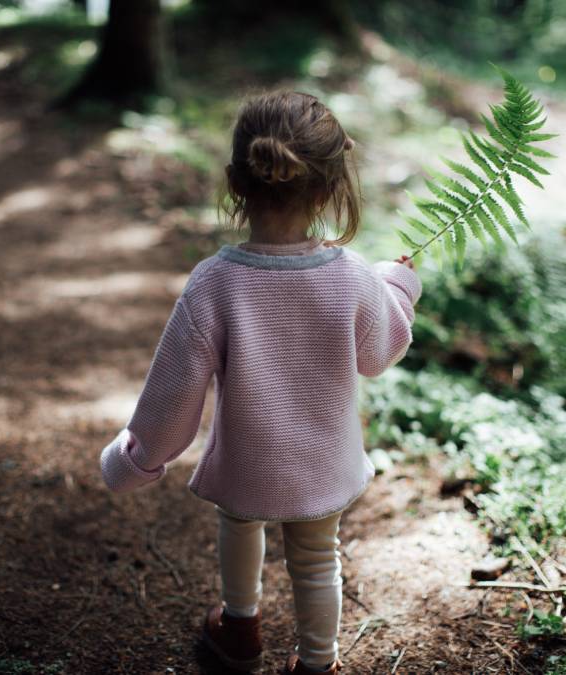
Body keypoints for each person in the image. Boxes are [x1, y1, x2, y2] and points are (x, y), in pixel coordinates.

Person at [99, 90, 421, 674]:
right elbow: (380, 352)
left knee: (239, 525)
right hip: (324, 462)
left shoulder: (214, 283)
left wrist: (138, 457)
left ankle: (240, 630)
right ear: (329, 189)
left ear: (235, 183)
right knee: (318, 559)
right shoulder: (352, 277)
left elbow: (174, 396)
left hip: (248, 460)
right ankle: (318, 663)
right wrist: (397, 288)